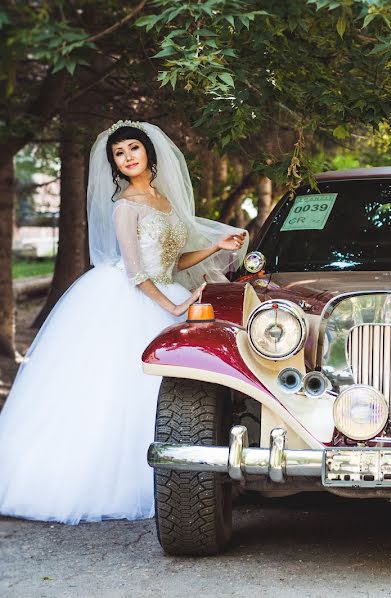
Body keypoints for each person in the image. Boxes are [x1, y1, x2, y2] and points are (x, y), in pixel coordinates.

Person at [0, 121, 248, 524]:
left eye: (134, 147)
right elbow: (136, 272)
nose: (128, 156)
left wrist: (213, 248)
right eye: (120, 152)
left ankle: (179, 476)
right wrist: (172, 306)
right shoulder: (125, 206)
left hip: (163, 289)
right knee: (123, 391)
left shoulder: (163, 200)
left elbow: (171, 261)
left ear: (149, 152)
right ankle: (123, 481)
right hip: (133, 299)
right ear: (114, 163)